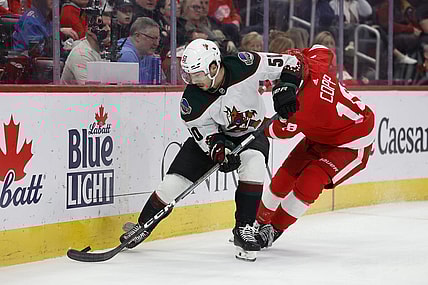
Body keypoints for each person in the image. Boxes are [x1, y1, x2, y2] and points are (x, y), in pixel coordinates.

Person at [120, 38, 302, 262]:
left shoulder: (246, 64)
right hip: (215, 138)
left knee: (253, 163)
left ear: (214, 67)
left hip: (250, 134)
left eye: (198, 74)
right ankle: (143, 226)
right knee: (172, 185)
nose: (193, 81)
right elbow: (205, 133)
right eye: (189, 75)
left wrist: (286, 89)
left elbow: (291, 63)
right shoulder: (191, 101)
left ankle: (244, 228)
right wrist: (218, 150)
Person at [254, 44, 376, 249]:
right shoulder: (315, 63)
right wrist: (299, 60)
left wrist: (249, 124)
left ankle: (273, 229)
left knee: (310, 180)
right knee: (285, 175)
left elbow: (277, 131)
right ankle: (257, 223)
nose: (275, 85)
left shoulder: (302, 107)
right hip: (324, 132)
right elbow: (323, 49)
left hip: (353, 142)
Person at [60, 14, 110, 84]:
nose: (108, 29)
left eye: (109, 26)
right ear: (89, 30)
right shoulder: (81, 55)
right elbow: (90, 91)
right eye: (102, 26)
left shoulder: (103, 50)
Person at [118, 17, 165, 84]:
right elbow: (132, 91)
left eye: (158, 39)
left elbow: (162, 83)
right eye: (153, 38)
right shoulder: (126, 54)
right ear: (137, 36)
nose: (156, 44)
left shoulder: (149, 55)